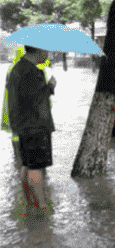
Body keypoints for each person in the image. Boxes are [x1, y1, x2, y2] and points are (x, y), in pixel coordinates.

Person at [7, 45, 57, 219]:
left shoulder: (18, 68)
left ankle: (31, 204)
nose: (48, 54)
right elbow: (35, 99)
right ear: (38, 51)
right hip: (35, 125)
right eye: (47, 51)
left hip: (23, 125)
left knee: (27, 165)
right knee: (36, 167)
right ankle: (42, 207)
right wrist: (50, 85)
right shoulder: (30, 72)